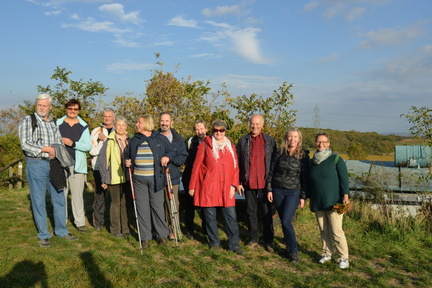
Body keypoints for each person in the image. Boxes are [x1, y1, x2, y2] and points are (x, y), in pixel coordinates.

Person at [19, 93, 78, 247]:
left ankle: (61, 230)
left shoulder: (53, 122)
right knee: (38, 200)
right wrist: (46, 149)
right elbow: (25, 144)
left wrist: (56, 152)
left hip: (55, 164)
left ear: (50, 107)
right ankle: (44, 234)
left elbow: (58, 142)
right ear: (36, 105)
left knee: (59, 196)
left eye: (45, 105)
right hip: (36, 163)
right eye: (39, 105)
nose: (42, 108)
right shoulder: (28, 120)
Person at [189, 120, 245, 255]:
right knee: (209, 217)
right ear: (212, 131)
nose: (219, 133)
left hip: (227, 187)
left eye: (221, 130)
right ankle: (214, 242)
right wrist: (192, 186)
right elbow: (196, 167)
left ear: (225, 131)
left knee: (230, 216)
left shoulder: (230, 146)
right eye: (216, 130)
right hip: (209, 187)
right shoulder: (204, 146)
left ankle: (233, 244)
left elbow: (236, 167)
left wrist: (234, 184)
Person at [125, 115, 175, 248]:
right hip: (139, 180)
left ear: (146, 124)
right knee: (142, 208)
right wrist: (127, 160)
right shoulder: (135, 139)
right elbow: (127, 154)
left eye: (138, 122)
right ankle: (145, 237)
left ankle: (162, 235)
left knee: (157, 207)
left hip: (156, 179)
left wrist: (167, 157)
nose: (136, 124)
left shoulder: (160, 138)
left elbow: (172, 151)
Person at [308, 132, 350, 269]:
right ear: (315, 143)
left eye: (324, 142)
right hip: (318, 201)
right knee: (323, 229)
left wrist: (345, 196)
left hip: (334, 201)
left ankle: (343, 257)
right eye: (318, 141)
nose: (321, 144)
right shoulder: (312, 161)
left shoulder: (336, 159)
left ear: (329, 143)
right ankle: (327, 253)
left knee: (336, 231)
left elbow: (344, 179)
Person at [267, 128, 309, 263]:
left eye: (295, 137)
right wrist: (269, 189)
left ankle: (294, 251)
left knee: (285, 220)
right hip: (278, 190)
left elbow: (304, 178)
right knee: (284, 222)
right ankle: (289, 247)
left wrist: (303, 196)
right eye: (290, 136)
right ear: (286, 138)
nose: (292, 139)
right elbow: (271, 171)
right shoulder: (279, 152)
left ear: (299, 139)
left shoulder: (303, 155)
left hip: (293, 192)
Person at [237, 114, 277, 252]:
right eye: (253, 123)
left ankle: (269, 241)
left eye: (257, 124)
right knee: (250, 212)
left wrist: (272, 183)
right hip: (248, 183)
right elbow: (238, 163)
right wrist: (239, 181)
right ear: (249, 124)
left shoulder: (269, 141)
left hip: (265, 184)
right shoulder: (243, 141)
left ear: (262, 125)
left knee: (266, 213)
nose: (255, 126)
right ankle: (253, 238)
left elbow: (274, 163)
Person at [57, 99, 92, 232]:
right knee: (62, 194)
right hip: (60, 164)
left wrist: (73, 143)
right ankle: (62, 221)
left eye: (75, 109)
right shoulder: (57, 124)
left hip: (77, 165)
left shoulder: (83, 126)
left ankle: (79, 222)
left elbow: (88, 146)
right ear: (66, 109)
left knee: (77, 195)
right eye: (70, 109)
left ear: (78, 110)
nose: (72, 111)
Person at [99, 117, 131, 237]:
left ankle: (126, 228)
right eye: (118, 125)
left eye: (123, 125)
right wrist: (104, 179)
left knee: (125, 203)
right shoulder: (109, 140)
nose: (121, 127)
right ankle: (115, 229)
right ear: (115, 126)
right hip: (114, 177)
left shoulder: (130, 140)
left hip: (127, 177)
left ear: (126, 126)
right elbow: (103, 161)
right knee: (115, 203)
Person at [158, 112, 187, 240]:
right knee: (159, 204)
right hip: (157, 176)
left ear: (171, 122)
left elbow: (182, 157)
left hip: (173, 176)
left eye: (167, 121)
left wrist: (170, 157)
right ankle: (161, 230)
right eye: (162, 121)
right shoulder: (154, 137)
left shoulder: (178, 139)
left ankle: (174, 229)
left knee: (173, 204)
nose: (164, 123)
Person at [181, 119, 208, 240]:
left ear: (206, 129)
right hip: (189, 177)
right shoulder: (189, 141)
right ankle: (190, 229)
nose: (199, 131)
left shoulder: (211, 141)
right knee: (189, 205)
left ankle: (206, 229)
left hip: (205, 178)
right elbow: (183, 157)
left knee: (205, 205)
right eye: (197, 129)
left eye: (201, 128)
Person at [89, 108, 115, 231]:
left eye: (109, 116)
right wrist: (102, 143)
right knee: (99, 195)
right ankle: (98, 222)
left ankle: (114, 222)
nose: (107, 118)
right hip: (99, 167)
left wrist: (105, 140)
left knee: (115, 196)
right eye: (105, 116)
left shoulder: (118, 130)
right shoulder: (96, 131)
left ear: (113, 117)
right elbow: (91, 150)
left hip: (115, 168)